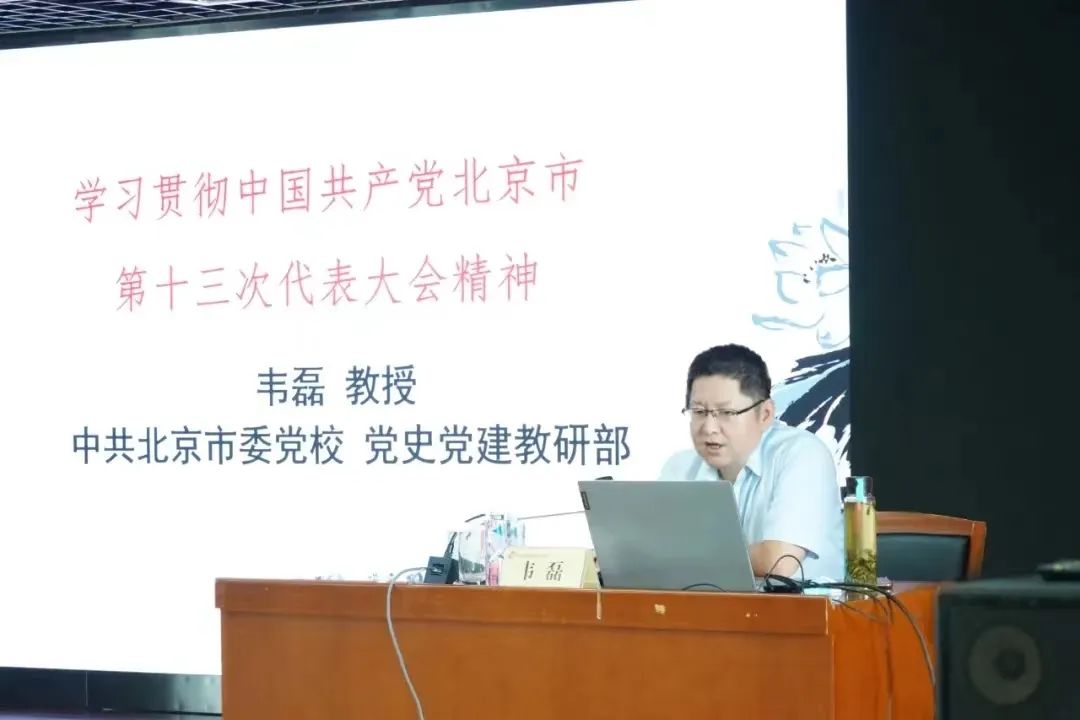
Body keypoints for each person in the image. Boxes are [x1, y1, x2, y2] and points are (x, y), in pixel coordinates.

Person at [658, 343, 843, 580]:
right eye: (699, 412)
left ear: (765, 414)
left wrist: (681, 558)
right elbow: (653, 554)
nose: (709, 428)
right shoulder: (680, 467)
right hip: (710, 601)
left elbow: (778, 561)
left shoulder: (802, 454)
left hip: (803, 603)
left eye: (726, 413)